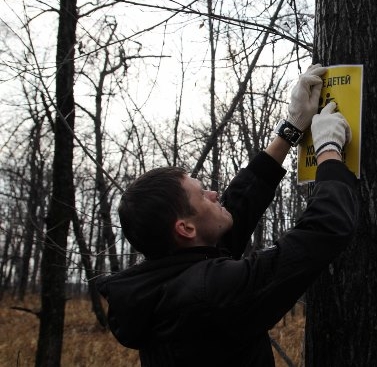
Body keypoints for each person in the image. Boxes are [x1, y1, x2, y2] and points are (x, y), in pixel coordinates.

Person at [97, 64, 359, 366]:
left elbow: (238, 206)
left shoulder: (163, 287)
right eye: (202, 194)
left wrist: (291, 128)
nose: (214, 194)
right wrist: (328, 149)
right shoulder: (210, 294)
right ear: (184, 228)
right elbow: (325, 230)